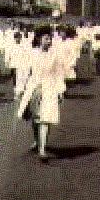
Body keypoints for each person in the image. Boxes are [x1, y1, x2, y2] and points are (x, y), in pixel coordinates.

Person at [16, 25, 66, 163]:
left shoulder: (55, 56)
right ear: (39, 39)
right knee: (35, 118)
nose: (49, 41)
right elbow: (24, 72)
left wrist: (60, 91)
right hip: (34, 87)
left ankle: (42, 149)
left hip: (50, 88)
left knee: (45, 118)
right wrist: (20, 89)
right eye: (46, 38)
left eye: (50, 39)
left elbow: (59, 74)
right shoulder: (32, 53)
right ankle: (37, 141)